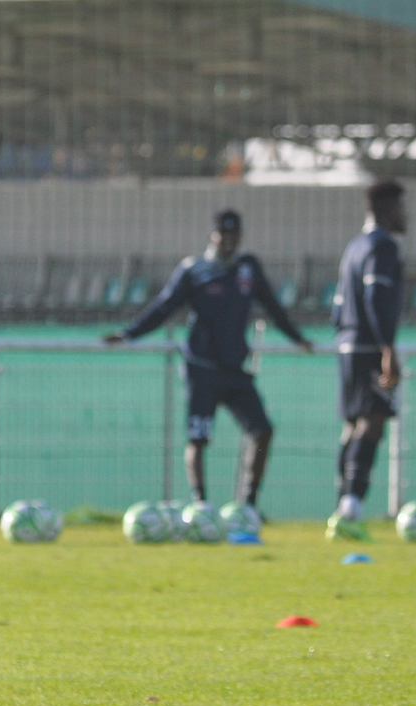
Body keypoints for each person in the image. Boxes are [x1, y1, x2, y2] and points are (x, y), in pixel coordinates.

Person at [104, 210, 312, 513]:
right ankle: (201, 505)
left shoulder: (248, 268)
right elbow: (164, 307)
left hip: (235, 369)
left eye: (234, 235)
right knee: (198, 438)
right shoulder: (194, 270)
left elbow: (272, 306)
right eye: (223, 235)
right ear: (212, 236)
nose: (228, 241)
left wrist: (297, 338)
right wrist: (128, 334)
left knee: (262, 430)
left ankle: (249, 505)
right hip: (201, 369)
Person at [326, 179, 406, 542]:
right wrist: (387, 349)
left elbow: (339, 305)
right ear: (390, 210)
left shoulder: (354, 246)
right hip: (368, 346)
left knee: (353, 425)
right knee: (371, 424)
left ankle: (342, 507)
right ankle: (350, 509)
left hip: (346, 342)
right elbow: (375, 298)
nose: (406, 215)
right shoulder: (382, 246)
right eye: (402, 208)